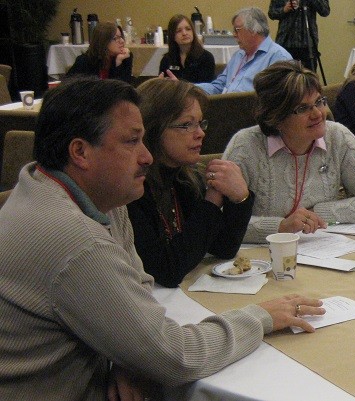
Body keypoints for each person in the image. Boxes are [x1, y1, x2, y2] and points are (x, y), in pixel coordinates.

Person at [0, 77, 324, 400]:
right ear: (80, 152)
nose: (147, 157)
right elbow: (176, 357)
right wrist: (262, 316)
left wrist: (131, 356)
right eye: (132, 141)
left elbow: (138, 284)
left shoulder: (66, 190)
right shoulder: (74, 239)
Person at [223, 61, 355, 242]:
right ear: (275, 117)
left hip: (321, 251)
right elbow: (220, 223)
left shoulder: (337, 137)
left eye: (319, 102)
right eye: (303, 108)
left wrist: (320, 212)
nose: (318, 114)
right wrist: (280, 227)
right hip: (258, 259)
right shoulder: (246, 147)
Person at [127, 79, 254, 288]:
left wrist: (240, 198)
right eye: (187, 125)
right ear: (153, 129)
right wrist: (211, 203)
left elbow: (223, 248)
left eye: (201, 123)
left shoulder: (183, 179)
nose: (200, 133)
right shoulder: (132, 190)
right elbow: (167, 270)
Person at [195, 7, 292, 94]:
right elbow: (218, 86)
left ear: (254, 30)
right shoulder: (238, 55)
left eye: (237, 29)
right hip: (225, 106)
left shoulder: (279, 57)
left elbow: (277, 98)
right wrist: (188, 88)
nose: (234, 34)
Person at [268, 0, 330, 72]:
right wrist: (284, 9)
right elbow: (271, 13)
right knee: (283, 78)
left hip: (307, 43)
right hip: (286, 41)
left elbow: (325, 11)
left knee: (308, 79)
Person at [67, 21, 132, 83]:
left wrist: (118, 63)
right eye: (116, 38)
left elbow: (123, 90)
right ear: (103, 41)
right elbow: (67, 85)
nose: (122, 41)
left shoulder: (125, 58)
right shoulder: (84, 61)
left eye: (121, 37)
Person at [158, 14, 216, 83]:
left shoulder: (206, 57)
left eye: (188, 29)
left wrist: (179, 86)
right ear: (172, 36)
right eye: (179, 31)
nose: (184, 33)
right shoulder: (167, 59)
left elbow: (206, 88)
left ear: (193, 32)